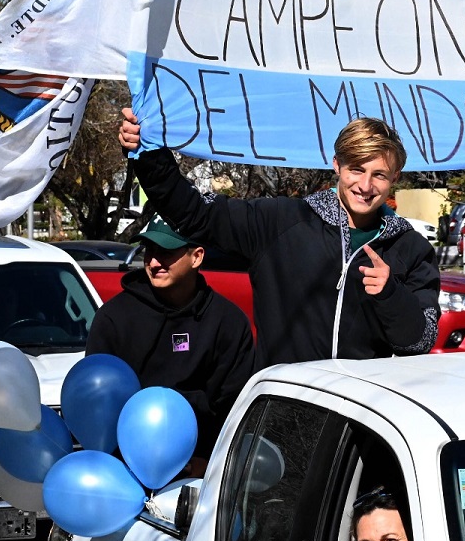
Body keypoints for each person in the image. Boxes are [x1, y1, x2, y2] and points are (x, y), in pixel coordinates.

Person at [119, 110, 440, 366]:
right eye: (357, 169)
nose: (366, 185)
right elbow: (193, 214)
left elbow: (420, 342)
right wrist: (146, 154)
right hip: (283, 416)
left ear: (394, 178)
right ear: (337, 166)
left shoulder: (411, 248)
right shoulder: (280, 222)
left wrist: (391, 294)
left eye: (379, 175)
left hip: (359, 425)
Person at [86, 216, 258, 470]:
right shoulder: (113, 317)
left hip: (204, 469)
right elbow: (98, 402)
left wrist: (204, 462)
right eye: (149, 251)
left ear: (196, 257)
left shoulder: (228, 321)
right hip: (126, 470)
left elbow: (232, 406)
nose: (154, 262)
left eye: (166, 252)